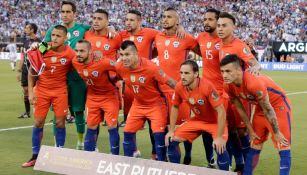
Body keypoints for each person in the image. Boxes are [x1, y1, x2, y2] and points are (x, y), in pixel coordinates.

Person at [220, 54, 291, 175]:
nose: (224, 75)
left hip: (278, 106)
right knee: (255, 143)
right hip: (260, 107)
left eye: (228, 71)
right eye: (222, 71)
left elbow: (269, 109)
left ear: (238, 70)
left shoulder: (253, 83)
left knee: (283, 144)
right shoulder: (227, 85)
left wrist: (277, 131)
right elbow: (239, 108)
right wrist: (250, 129)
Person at [22, 25, 75, 168]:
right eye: (53, 35)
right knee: (38, 122)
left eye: (58, 36)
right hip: (42, 91)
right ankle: (35, 156)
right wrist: (32, 93)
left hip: (60, 92)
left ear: (65, 38)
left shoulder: (70, 53)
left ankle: (59, 155)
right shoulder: (44, 47)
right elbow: (32, 71)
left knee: (60, 123)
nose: (55, 38)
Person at [115, 40, 176, 161]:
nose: (123, 58)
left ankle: (162, 164)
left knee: (158, 136)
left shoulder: (151, 68)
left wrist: (189, 93)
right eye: (121, 55)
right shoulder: (119, 67)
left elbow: (171, 82)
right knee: (127, 132)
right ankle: (128, 164)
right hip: (138, 104)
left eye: (127, 54)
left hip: (156, 104)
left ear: (136, 54)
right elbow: (113, 76)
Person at [165, 60, 230, 171]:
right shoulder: (179, 86)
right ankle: (175, 171)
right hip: (198, 120)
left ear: (196, 74)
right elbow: (175, 107)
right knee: (171, 140)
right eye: (181, 73)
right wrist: (171, 130)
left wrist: (219, 137)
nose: (182, 76)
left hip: (215, 122)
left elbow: (221, 111)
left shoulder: (207, 87)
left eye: (186, 73)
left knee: (219, 147)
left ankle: (225, 172)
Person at [44, 1, 90, 150]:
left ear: (74, 13)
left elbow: (99, 31)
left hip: (76, 78)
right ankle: (57, 145)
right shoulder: (53, 29)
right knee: (58, 114)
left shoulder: (83, 29)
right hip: (58, 78)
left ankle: (80, 142)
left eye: (68, 12)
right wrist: (35, 46)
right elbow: (43, 47)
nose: (65, 15)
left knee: (78, 111)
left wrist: (111, 27)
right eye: (63, 12)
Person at [154, 7, 198, 165]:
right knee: (164, 127)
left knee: (183, 127)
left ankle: (188, 153)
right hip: (161, 90)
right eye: (164, 16)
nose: (165, 19)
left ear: (178, 21)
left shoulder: (185, 37)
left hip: (181, 90)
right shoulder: (157, 36)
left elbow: (202, 51)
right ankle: (167, 159)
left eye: (169, 17)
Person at [217, 12, 261, 163]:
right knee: (229, 130)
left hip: (239, 96)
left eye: (224, 25)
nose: (220, 29)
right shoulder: (220, 44)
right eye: (219, 25)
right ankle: (239, 162)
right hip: (225, 94)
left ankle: (248, 165)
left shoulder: (239, 46)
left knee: (242, 131)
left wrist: (255, 68)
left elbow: (254, 62)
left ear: (233, 27)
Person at [73, 40, 120, 155]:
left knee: (112, 127)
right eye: (76, 51)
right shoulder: (74, 60)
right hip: (92, 97)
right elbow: (58, 49)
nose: (78, 54)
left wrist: (117, 79)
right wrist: (39, 46)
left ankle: (114, 157)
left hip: (109, 96)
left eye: (82, 51)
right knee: (91, 127)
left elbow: (121, 68)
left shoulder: (103, 62)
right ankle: (88, 158)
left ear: (90, 52)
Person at [17, 23, 40, 119]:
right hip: (26, 69)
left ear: (32, 30)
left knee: (37, 90)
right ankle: (27, 112)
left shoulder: (39, 42)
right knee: (25, 90)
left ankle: (39, 110)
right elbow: (22, 56)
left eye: (27, 28)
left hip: (35, 69)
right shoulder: (25, 42)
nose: (25, 29)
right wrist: (19, 70)